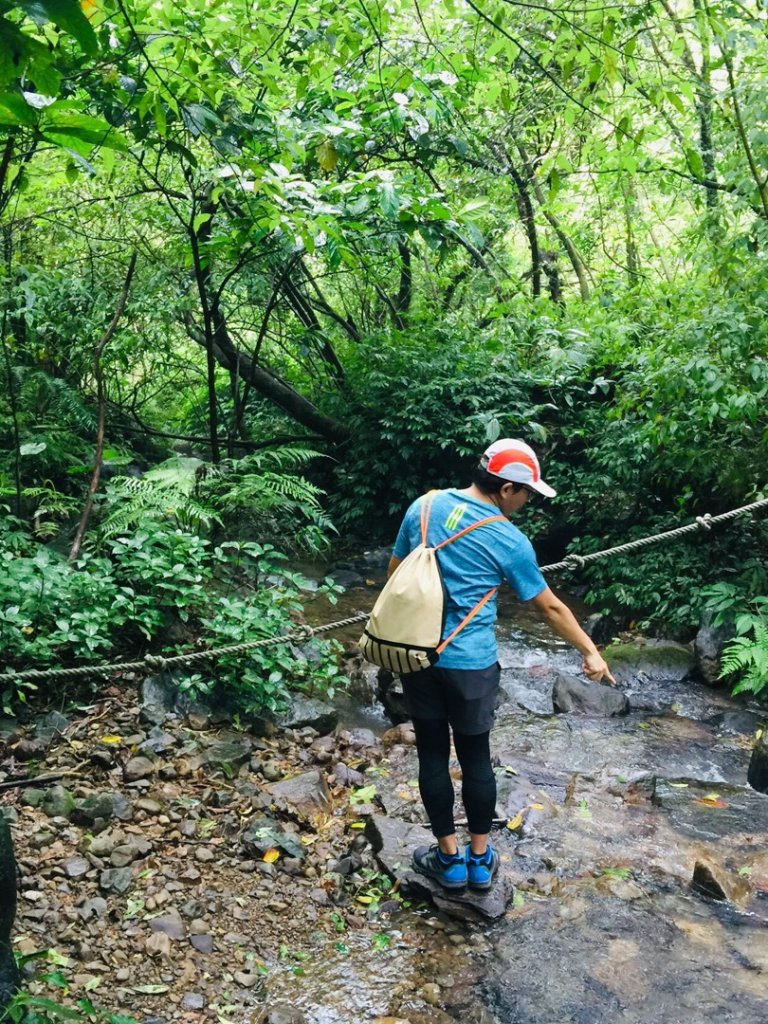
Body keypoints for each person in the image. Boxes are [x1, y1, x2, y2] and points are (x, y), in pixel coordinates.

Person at [388, 438, 614, 893]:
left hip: (416, 656)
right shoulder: (509, 539)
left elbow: (397, 575)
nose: (528, 502)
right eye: (527, 493)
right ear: (507, 488)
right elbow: (549, 608)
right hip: (470, 664)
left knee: (432, 753)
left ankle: (447, 862)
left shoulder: (425, 507)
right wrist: (590, 651)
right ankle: (478, 856)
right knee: (475, 759)